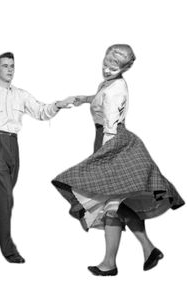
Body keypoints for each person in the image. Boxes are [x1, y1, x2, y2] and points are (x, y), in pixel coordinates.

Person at [52, 44, 185, 276]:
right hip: (109, 140)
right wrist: (84, 98)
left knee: (111, 205)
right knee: (114, 204)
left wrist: (104, 160)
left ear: (126, 67)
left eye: (113, 66)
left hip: (112, 143)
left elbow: (111, 125)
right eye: (105, 63)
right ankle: (145, 250)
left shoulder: (115, 90)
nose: (107, 69)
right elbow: (101, 97)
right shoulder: (112, 83)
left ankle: (111, 262)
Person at [0, 52, 75, 263]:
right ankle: (8, 250)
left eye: (12, 66)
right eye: (5, 66)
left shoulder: (21, 94)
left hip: (13, 145)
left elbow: (41, 112)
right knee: (5, 199)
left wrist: (58, 104)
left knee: (0, 199)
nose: (10, 69)